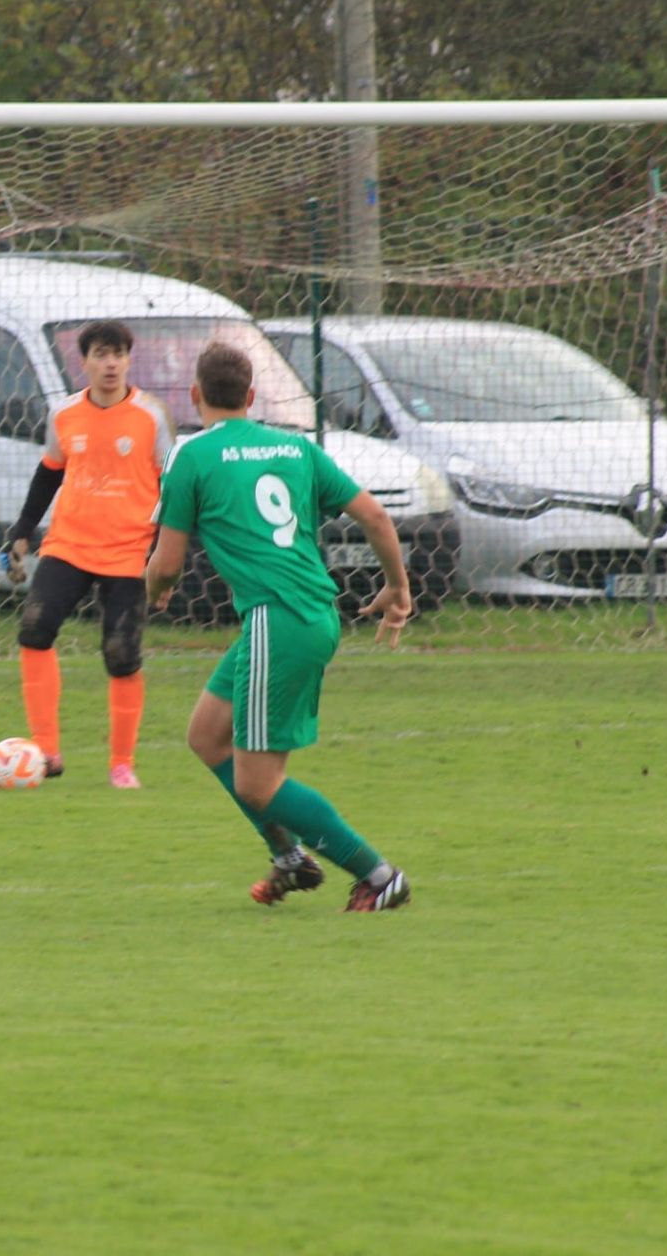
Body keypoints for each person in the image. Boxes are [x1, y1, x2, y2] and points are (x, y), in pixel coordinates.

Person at [145, 341, 413, 912]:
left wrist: (155, 590)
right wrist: (397, 586)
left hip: (278, 618)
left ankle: (379, 875)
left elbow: (166, 564)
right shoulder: (295, 448)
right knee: (206, 735)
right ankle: (289, 855)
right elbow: (375, 515)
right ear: (251, 396)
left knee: (257, 783)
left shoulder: (191, 456)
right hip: (305, 614)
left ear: (195, 395)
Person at [5, 319, 173, 790]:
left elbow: (173, 488)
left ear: (128, 360)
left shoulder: (151, 416)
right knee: (35, 630)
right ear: (84, 363)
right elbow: (49, 474)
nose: (111, 363)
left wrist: (165, 560)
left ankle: (121, 764)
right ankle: (47, 749)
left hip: (129, 552)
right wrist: (22, 531)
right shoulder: (64, 415)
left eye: (118, 354)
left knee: (121, 655)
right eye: (101, 354)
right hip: (70, 545)